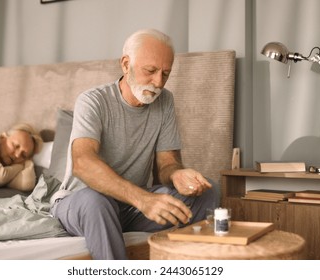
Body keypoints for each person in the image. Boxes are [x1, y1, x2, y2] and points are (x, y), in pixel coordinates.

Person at [50, 29, 218, 259]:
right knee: (96, 202)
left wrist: (177, 174)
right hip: (82, 202)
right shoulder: (93, 100)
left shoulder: (165, 101)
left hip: (129, 207)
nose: (158, 82)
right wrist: (144, 200)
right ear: (126, 64)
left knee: (208, 190)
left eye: (165, 74)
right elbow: (83, 163)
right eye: (150, 71)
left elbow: (167, 164)